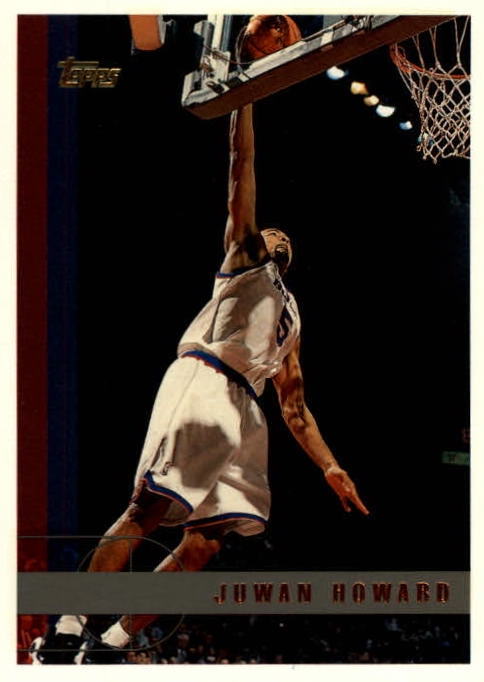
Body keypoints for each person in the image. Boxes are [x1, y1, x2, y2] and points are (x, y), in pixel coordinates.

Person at [32, 104, 369, 665]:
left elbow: (296, 408)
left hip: (246, 410)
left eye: (284, 235)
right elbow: (241, 165)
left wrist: (330, 467)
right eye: (272, 229)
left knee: (206, 543)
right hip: (206, 378)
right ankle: (69, 624)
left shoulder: (292, 317)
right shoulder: (246, 257)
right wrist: (245, 99)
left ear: (292, 258)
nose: (277, 233)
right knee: (148, 508)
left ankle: (114, 643)